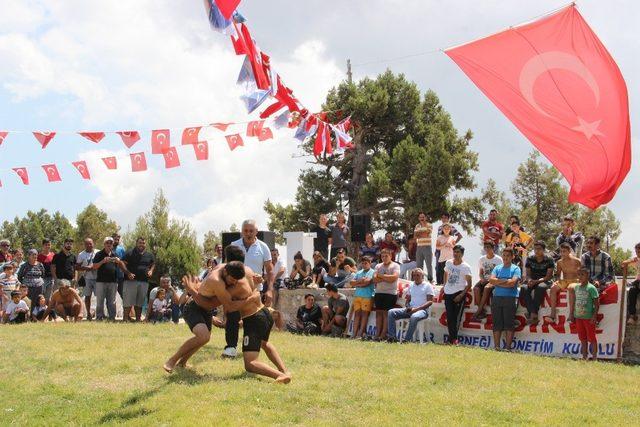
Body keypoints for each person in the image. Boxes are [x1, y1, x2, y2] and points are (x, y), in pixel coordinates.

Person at [175, 261, 292, 384]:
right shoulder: (247, 272)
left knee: (250, 364)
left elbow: (214, 305)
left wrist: (192, 291)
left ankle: (280, 375)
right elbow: (256, 283)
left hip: (254, 319)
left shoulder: (229, 288)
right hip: (264, 313)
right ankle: (285, 371)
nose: (233, 282)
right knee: (265, 344)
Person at [164, 247, 258, 372]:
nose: (235, 283)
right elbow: (225, 304)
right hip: (194, 307)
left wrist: (256, 281)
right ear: (226, 272)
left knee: (205, 338)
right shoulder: (217, 280)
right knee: (203, 336)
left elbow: (223, 300)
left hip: (205, 308)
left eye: (237, 280)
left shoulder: (229, 269)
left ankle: (182, 362)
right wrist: (252, 299)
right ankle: (171, 360)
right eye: (233, 280)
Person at [227, 220, 273, 358]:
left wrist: (269, 289)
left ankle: (251, 346)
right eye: (245, 230)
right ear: (242, 231)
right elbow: (227, 268)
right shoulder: (234, 246)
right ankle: (230, 347)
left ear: (256, 232)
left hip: (254, 290)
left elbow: (270, 271)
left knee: (252, 320)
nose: (248, 233)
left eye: (251, 231)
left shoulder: (263, 247)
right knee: (232, 317)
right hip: (235, 289)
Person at [387, 268, 435, 342]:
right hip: (411, 309)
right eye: (414, 275)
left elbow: (430, 302)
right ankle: (392, 337)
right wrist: (408, 307)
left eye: (418, 275)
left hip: (423, 311)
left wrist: (416, 309)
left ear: (422, 276)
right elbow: (408, 299)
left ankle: (407, 340)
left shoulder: (428, 285)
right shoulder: (411, 285)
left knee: (414, 316)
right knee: (391, 312)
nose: (416, 277)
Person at [489, 248, 521, 351]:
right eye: (504, 255)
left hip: (510, 298)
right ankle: (497, 347)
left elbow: (512, 283)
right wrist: (506, 281)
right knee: (497, 323)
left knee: (509, 323)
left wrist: (498, 281)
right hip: (496, 297)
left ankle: (507, 348)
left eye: (508, 255)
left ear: (512, 257)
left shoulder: (516, 269)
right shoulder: (497, 268)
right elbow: (491, 280)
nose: (505, 257)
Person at [545, 243, 582, 324]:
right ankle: (553, 315)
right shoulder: (559, 262)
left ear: (569, 251)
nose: (562, 253)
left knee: (571, 288)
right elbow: (558, 275)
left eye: (564, 251)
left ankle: (571, 315)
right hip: (564, 280)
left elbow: (582, 273)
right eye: (561, 251)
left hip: (575, 280)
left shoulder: (577, 261)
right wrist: (557, 281)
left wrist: (581, 282)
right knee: (553, 288)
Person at [443, 245, 472, 344]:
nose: (456, 254)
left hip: (458, 293)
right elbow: (445, 273)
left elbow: (469, 284)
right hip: (448, 292)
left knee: (456, 317)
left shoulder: (466, 267)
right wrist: (444, 286)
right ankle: (452, 339)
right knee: (449, 317)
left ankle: (454, 339)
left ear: (462, 254)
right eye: (455, 252)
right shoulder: (449, 262)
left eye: (458, 252)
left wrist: (461, 295)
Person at [569, 268, 600, 360]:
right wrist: (572, 314)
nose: (580, 277)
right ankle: (584, 356)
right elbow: (574, 301)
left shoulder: (591, 288)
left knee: (592, 338)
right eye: (579, 275)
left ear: (587, 276)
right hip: (578, 316)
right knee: (582, 338)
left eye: (583, 274)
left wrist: (594, 316)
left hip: (588, 317)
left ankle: (594, 357)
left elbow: (597, 303)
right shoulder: (577, 287)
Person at [122, 237, 155, 322]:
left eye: (143, 243)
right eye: (140, 243)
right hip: (130, 281)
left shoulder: (149, 255)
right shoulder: (129, 253)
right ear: (136, 243)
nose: (142, 245)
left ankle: (138, 319)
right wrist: (128, 273)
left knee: (140, 302)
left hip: (144, 282)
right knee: (128, 301)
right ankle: (125, 319)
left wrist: (151, 271)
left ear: (145, 244)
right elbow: (122, 263)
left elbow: (153, 263)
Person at [522, 241, 555, 325]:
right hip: (532, 280)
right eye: (535, 249)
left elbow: (548, 276)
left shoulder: (549, 259)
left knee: (540, 287)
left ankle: (532, 314)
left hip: (545, 280)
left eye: (539, 249)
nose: (537, 251)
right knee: (524, 288)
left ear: (543, 250)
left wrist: (536, 281)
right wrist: (529, 280)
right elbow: (528, 274)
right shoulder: (530, 258)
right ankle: (534, 314)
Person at [92, 236, 124, 321]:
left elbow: (121, 266)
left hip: (113, 281)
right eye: (107, 243)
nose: (109, 244)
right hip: (101, 281)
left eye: (111, 243)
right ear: (104, 244)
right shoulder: (99, 254)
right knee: (100, 301)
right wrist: (103, 261)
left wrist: (119, 261)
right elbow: (94, 266)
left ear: (113, 245)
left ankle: (112, 317)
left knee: (112, 301)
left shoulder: (115, 254)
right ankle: (99, 317)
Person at [373, 249, 400, 341]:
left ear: (390, 256)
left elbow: (394, 278)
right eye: (382, 256)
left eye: (386, 256)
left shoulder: (395, 265)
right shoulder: (378, 265)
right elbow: (374, 279)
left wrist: (381, 276)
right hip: (379, 293)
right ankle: (377, 334)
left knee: (386, 314)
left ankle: (383, 334)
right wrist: (386, 278)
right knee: (378, 314)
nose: (384, 258)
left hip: (390, 293)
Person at [472, 241, 503, 321]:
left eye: (488, 247)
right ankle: (481, 311)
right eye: (485, 247)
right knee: (476, 289)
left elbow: (499, 274)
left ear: (493, 248)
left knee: (486, 288)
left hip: (494, 280)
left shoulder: (498, 259)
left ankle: (478, 312)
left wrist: (490, 280)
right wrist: (482, 279)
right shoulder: (482, 259)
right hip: (484, 279)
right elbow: (481, 273)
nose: (486, 249)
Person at [349, 256, 375, 339]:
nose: (364, 265)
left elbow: (367, 283)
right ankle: (354, 334)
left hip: (367, 296)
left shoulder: (373, 272)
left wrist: (357, 284)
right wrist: (360, 281)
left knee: (364, 315)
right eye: (363, 263)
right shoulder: (359, 272)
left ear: (370, 263)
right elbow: (351, 283)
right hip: (358, 296)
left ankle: (360, 334)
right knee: (357, 315)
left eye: (366, 263)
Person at [76, 238, 97, 320]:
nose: (89, 245)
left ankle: (98, 313)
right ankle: (88, 313)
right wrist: (85, 268)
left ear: (93, 244)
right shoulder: (81, 254)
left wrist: (92, 267)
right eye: (87, 244)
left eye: (90, 243)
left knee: (99, 297)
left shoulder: (97, 252)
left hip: (97, 278)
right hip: (87, 278)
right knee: (87, 296)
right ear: (84, 245)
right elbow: (77, 267)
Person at [622, 243, 640, 325]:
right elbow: (624, 263)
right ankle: (632, 316)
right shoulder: (636, 259)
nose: (638, 253)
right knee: (632, 290)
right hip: (638, 281)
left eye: (639, 252)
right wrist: (626, 263)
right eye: (636, 252)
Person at [414, 212, 434, 282]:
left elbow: (426, 234)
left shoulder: (429, 225)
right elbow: (415, 236)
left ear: (425, 217)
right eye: (420, 217)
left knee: (429, 264)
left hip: (427, 246)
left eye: (423, 217)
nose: (422, 218)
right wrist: (423, 233)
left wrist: (420, 234)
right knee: (419, 264)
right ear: (419, 218)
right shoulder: (417, 226)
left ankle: (430, 279)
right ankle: (420, 279)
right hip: (419, 247)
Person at [37, 239, 55, 303]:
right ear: (43, 245)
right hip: (42, 279)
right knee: (41, 297)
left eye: (49, 245)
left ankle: (47, 311)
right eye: (46, 245)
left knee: (48, 297)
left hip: (51, 279)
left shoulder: (53, 255)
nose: (47, 246)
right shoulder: (38, 256)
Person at [112, 233, 126, 302]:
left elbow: (125, 261)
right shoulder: (108, 248)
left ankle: (126, 312)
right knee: (111, 294)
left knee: (122, 294)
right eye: (115, 239)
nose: (116, 241)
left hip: (120, 275)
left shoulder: (121, 249)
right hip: (110, 276)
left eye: (118, 239)